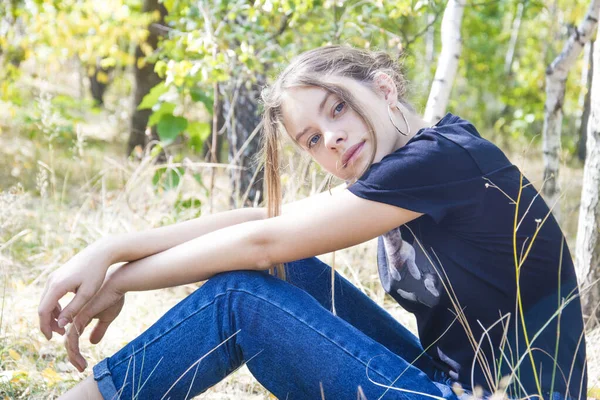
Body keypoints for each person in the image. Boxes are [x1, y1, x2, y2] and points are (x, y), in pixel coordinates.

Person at [38, 45, 587, 400]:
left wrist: (120, 281)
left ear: (384, 88)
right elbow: (267, 220)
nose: (333, 138)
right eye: (312, 140)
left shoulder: (441, 159)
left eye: (337, 109)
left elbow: (260, 242)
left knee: (241, 298)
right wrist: (112, 250)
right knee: (285, 268)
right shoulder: (408, 164)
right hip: (452, 385)